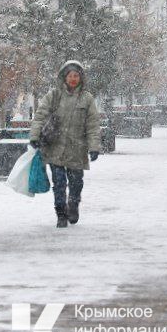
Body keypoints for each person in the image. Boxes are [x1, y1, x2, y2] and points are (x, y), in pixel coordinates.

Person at [30, 60, 102, 228]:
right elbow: (40, 116)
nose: (73, 79)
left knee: (76, 183)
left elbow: (92, 125)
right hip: (54, 148)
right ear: (64, 77)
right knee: (59, 183)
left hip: (77, 149)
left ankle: (73, 205)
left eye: (76, 76)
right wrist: (34, 136)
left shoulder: (87, 98)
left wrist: (94, 147)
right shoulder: (54, 95)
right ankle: (61, 213)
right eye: (70, 75)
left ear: (81, 78)